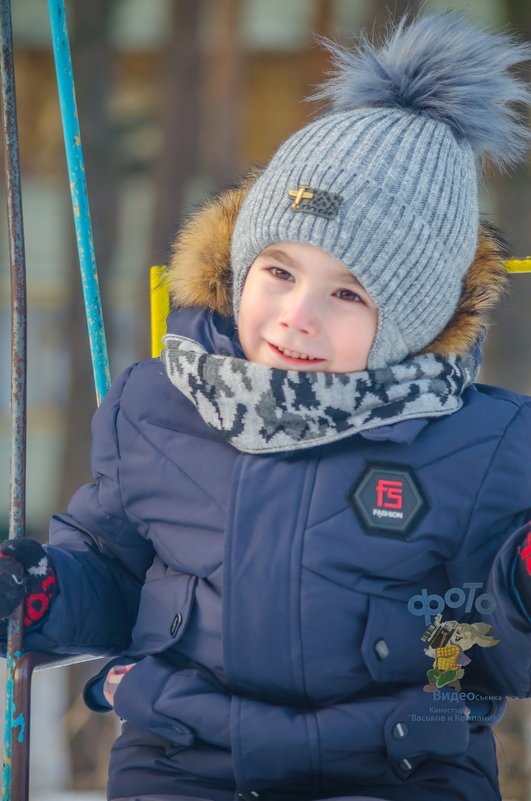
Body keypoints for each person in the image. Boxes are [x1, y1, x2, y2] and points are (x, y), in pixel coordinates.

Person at [1, 11, 531, 801]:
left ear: (416, 318)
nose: (296, 315)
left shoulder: (481, 443)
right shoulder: (157, 404)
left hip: (395, 765)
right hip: (185, 755)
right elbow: (114, 577)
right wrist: (42, 592)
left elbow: (488, 646)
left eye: (348, 292)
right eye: (278, 270)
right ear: (237, 261)